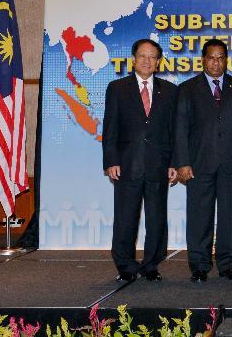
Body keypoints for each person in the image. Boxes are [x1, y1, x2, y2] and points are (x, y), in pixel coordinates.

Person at [173, 39, 232, 283]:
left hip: (231, 163)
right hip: (198, 164)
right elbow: (180, 129)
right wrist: (182, 163)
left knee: (229, 216)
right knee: (199, 216)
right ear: (203, 59)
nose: (216, 62)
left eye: (220, 58)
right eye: (211, 57)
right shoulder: (187, 89)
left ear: (226, 60)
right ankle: (199, 266)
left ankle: (228, 264)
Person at [102, 38, 178, 283]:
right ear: (133, 59)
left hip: (159, 164)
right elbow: (110, 128)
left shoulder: (169, 91)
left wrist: (174, 162)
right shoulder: (117, 88)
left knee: (156, 218)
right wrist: (111, 160)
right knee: (126, 217)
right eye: (143, 56)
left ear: (158, 62)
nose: (147, 61)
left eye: (152, 57)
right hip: (126, 164)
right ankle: (125, 266)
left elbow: (173, 131)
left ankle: (151, 265)